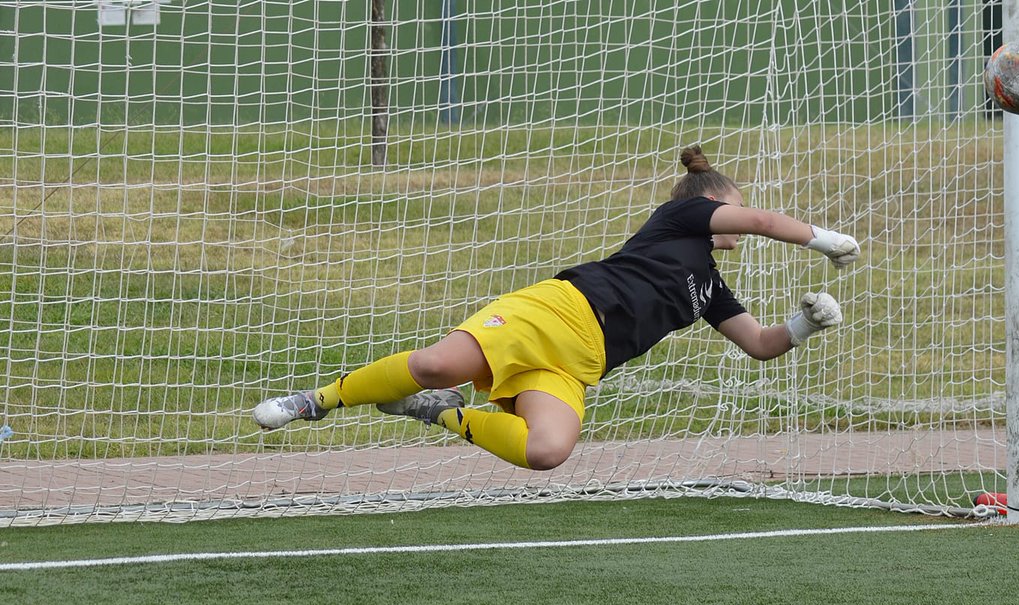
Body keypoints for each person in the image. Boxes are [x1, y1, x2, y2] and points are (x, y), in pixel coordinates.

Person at [252, 146, 860, 471]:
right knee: (439, 362)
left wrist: (808, 323)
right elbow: (758, 220)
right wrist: (824, 240)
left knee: (547, 452)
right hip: (560, 312)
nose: (741, 217)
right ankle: (315, 401)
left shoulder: (709, 286)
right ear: (708, 203)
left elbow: (758, 342)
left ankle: (438, 415)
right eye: (733, 206)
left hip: (579, 363)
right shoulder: (680, 217)